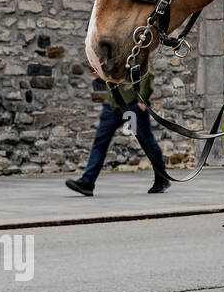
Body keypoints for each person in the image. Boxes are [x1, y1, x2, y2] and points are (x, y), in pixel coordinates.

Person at [65, 65, 169, 196]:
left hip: (133, 105)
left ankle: (162, 179)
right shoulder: (111, 50)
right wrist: (100, 74)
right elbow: (114, 75)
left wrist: (142, 99)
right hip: (113, 104)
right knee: (100, 141)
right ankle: (87, 182)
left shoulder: (135, 47)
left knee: (147, 141)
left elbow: (147, 71)